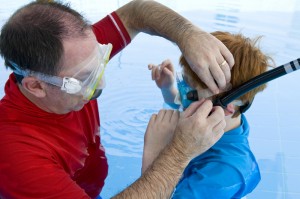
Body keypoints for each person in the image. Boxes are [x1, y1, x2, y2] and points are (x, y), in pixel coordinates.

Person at [0, 0, 234, 199]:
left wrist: (188, 35)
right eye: (86, 77)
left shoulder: (75, 54)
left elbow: (136, 12)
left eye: (100, 59)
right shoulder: (16, 154)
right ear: (36, 86)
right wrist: (180, 152)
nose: (100, 85)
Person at [146, 31, 274, 198]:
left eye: (190, 91)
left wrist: (153, 154)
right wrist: (168, 89)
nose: (184, 92)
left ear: (226, 107)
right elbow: (188, 106)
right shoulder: (229, 121)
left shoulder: (220, 177)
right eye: (183, 79)